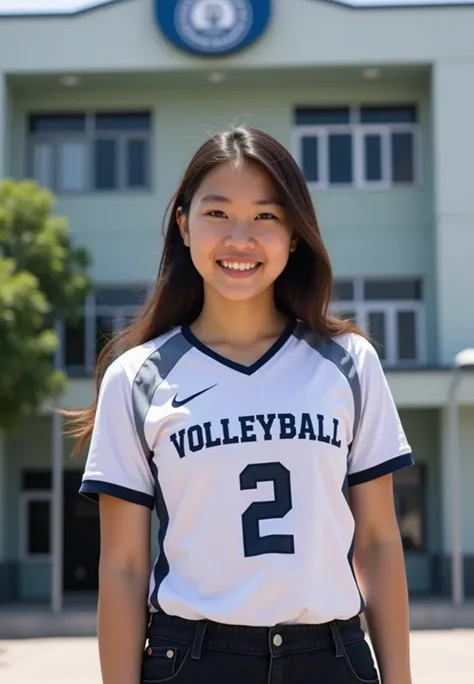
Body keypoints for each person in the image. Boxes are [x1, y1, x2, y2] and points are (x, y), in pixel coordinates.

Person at [67, 126, 413, 684]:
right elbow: (125, 567)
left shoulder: (349, 362)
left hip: (332, 657)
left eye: (267, 217)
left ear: (295, 235)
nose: (240, 239)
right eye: (218, 214)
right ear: (183, 224)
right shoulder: (136, 376)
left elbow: (377, 540)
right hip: (193, 658)